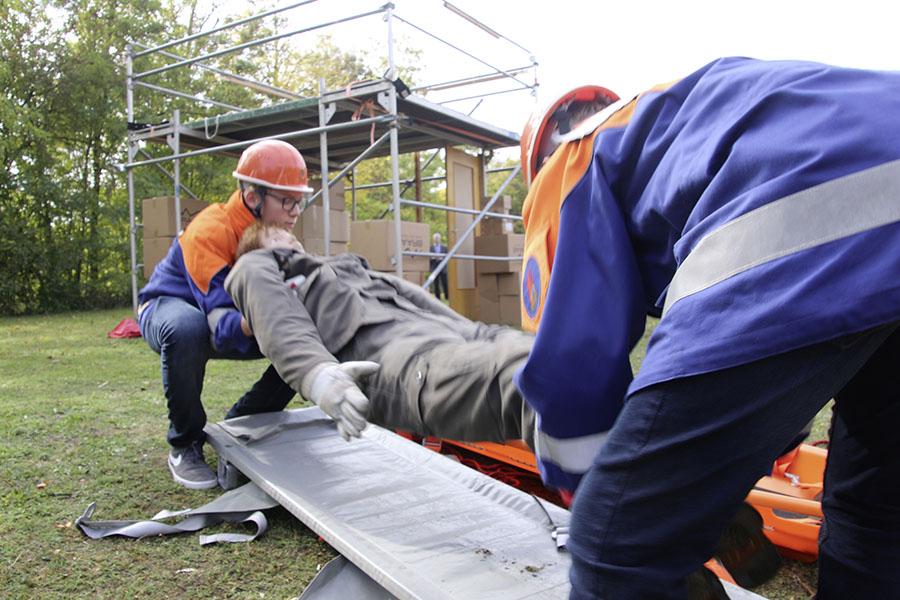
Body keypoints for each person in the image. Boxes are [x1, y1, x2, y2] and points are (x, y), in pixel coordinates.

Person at [516, 57, 900, 599]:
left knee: (617, 552)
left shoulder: (573, 161)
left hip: (817, 213)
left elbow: (567, 367)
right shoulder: (694, 117)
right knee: (877, 511)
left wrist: (603, 495)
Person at [223, 222, 534, 447]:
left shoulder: (344, 267)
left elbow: (415, 297)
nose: (292, 242)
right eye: (278, 238)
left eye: (293, 239)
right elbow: (271, 310)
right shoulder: (261, 271)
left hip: (437, 331)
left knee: (549, 351)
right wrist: (317, 375)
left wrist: (479, 333)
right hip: (389, 352)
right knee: (526, 376)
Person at [138, 139, 313, 489]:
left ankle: (241, 424)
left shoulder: (277, 235)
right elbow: (221, 324)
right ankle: (185, 443)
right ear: (252, 197)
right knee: (189, 328)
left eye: (300, 201)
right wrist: (269, 319)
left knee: (306, 335)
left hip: (229, 317)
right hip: (168, 306)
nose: (296, 211)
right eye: (287, 201)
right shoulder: (210, 230)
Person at [429, 232, 449, 300]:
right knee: (436, 283)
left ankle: (447, 296)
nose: (437, 239)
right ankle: (437, 298)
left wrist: (442, 258)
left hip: (443, 267)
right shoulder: (430, 248)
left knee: (445, 282)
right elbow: (428, 258)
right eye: (435, 238)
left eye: (438, 238)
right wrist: (433, 258)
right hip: (434, 267)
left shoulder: (444, 247)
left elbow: (448, 256)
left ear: (440, 239)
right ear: (433, 239)